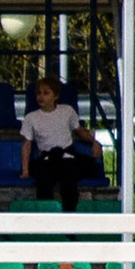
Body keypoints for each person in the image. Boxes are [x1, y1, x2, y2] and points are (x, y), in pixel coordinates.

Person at [21, 75, 95, 210]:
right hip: (47, 158)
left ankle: (69, 217)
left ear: (55, 96)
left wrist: (95, 143)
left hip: (67, 157)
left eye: (46, 93)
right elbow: (27, 144)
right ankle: (46, 216)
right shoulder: (31, 118)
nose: (41, 97)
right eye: (38, 93)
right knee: (43, 183)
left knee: (69, 182)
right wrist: (25, 170)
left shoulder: (67, 111)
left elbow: (79, 130)